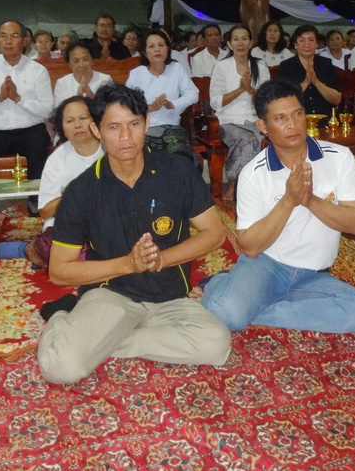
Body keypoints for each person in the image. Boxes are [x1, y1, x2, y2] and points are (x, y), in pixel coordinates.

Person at [36, 84, 231, 385]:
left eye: (134, 124)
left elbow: (215, 233)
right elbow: (59, 271)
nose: (126, 137)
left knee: (216, 344)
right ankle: (63, 318)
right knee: (61, 369)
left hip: (169, 298)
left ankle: (105, 341)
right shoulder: (81, 191)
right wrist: (128, 264)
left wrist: (160, 260)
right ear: (97, 130)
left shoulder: (177, 171)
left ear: (147, 123)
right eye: (114, 127)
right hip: (111, 295)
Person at [202, 79, 355, 333]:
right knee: (227, 314)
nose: (292, 124)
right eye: (280, 118)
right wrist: (288, 201)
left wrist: (310, 200)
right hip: (267, 266)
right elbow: (250, 247)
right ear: (263, 126)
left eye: (297, 114)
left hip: (315, 274)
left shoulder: (339, 157)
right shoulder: (253, 174)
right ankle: (221, 285)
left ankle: (258, 307)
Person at [0, 20, 54, 181]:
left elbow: (47, 110)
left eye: (14, 35)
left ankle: (36, 195)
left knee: (38, 144)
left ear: (25, 40)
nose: (8, 41)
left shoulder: (38, 70)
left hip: (30, 130)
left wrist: (18, 99)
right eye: (3, 36)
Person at [210, 24, 270, 202]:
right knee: (248, 139)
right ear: (229, 44)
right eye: (236, 39)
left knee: (267, 138)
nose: (240, 43)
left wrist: (252, 92)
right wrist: (240, 90)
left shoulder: (260, 66)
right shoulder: (222, 66)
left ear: (251, 43)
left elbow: (267, 98)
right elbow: (215, 102)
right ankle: (234, 185)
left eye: (244, 39)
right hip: (227, 120)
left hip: (254, 118)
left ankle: (258, 187)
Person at [125, 30, 199, 162]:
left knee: (182, 159)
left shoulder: (176, 69)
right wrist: (150, 107)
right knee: (147, 161)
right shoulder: (136, 74)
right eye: (151, 46)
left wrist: (173, 104)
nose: (157, 49)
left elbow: (193, 94)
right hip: (144, 128)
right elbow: (127, 105)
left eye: (161, 45)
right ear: (144, 52)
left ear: (168, 48)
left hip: (172, 126)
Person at [37, 96, 103, 229]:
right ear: (63, 130)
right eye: (70, 121)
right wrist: (76, 196)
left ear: (96, 121)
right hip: (70, 223)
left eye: (83, 118)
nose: (77, 125)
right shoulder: (56, 159)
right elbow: (45, 211)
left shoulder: (113, 149)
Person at [276, 24, 341, 117]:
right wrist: (306, 82)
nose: (307, 44)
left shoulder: (326, 63)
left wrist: (316, 82)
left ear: (316, 44)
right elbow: (283, 100)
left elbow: (337, 99)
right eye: (302, 40)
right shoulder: (286, 66)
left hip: (325, 118)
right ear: (295, 45)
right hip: (297, 118)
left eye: (311, 40)